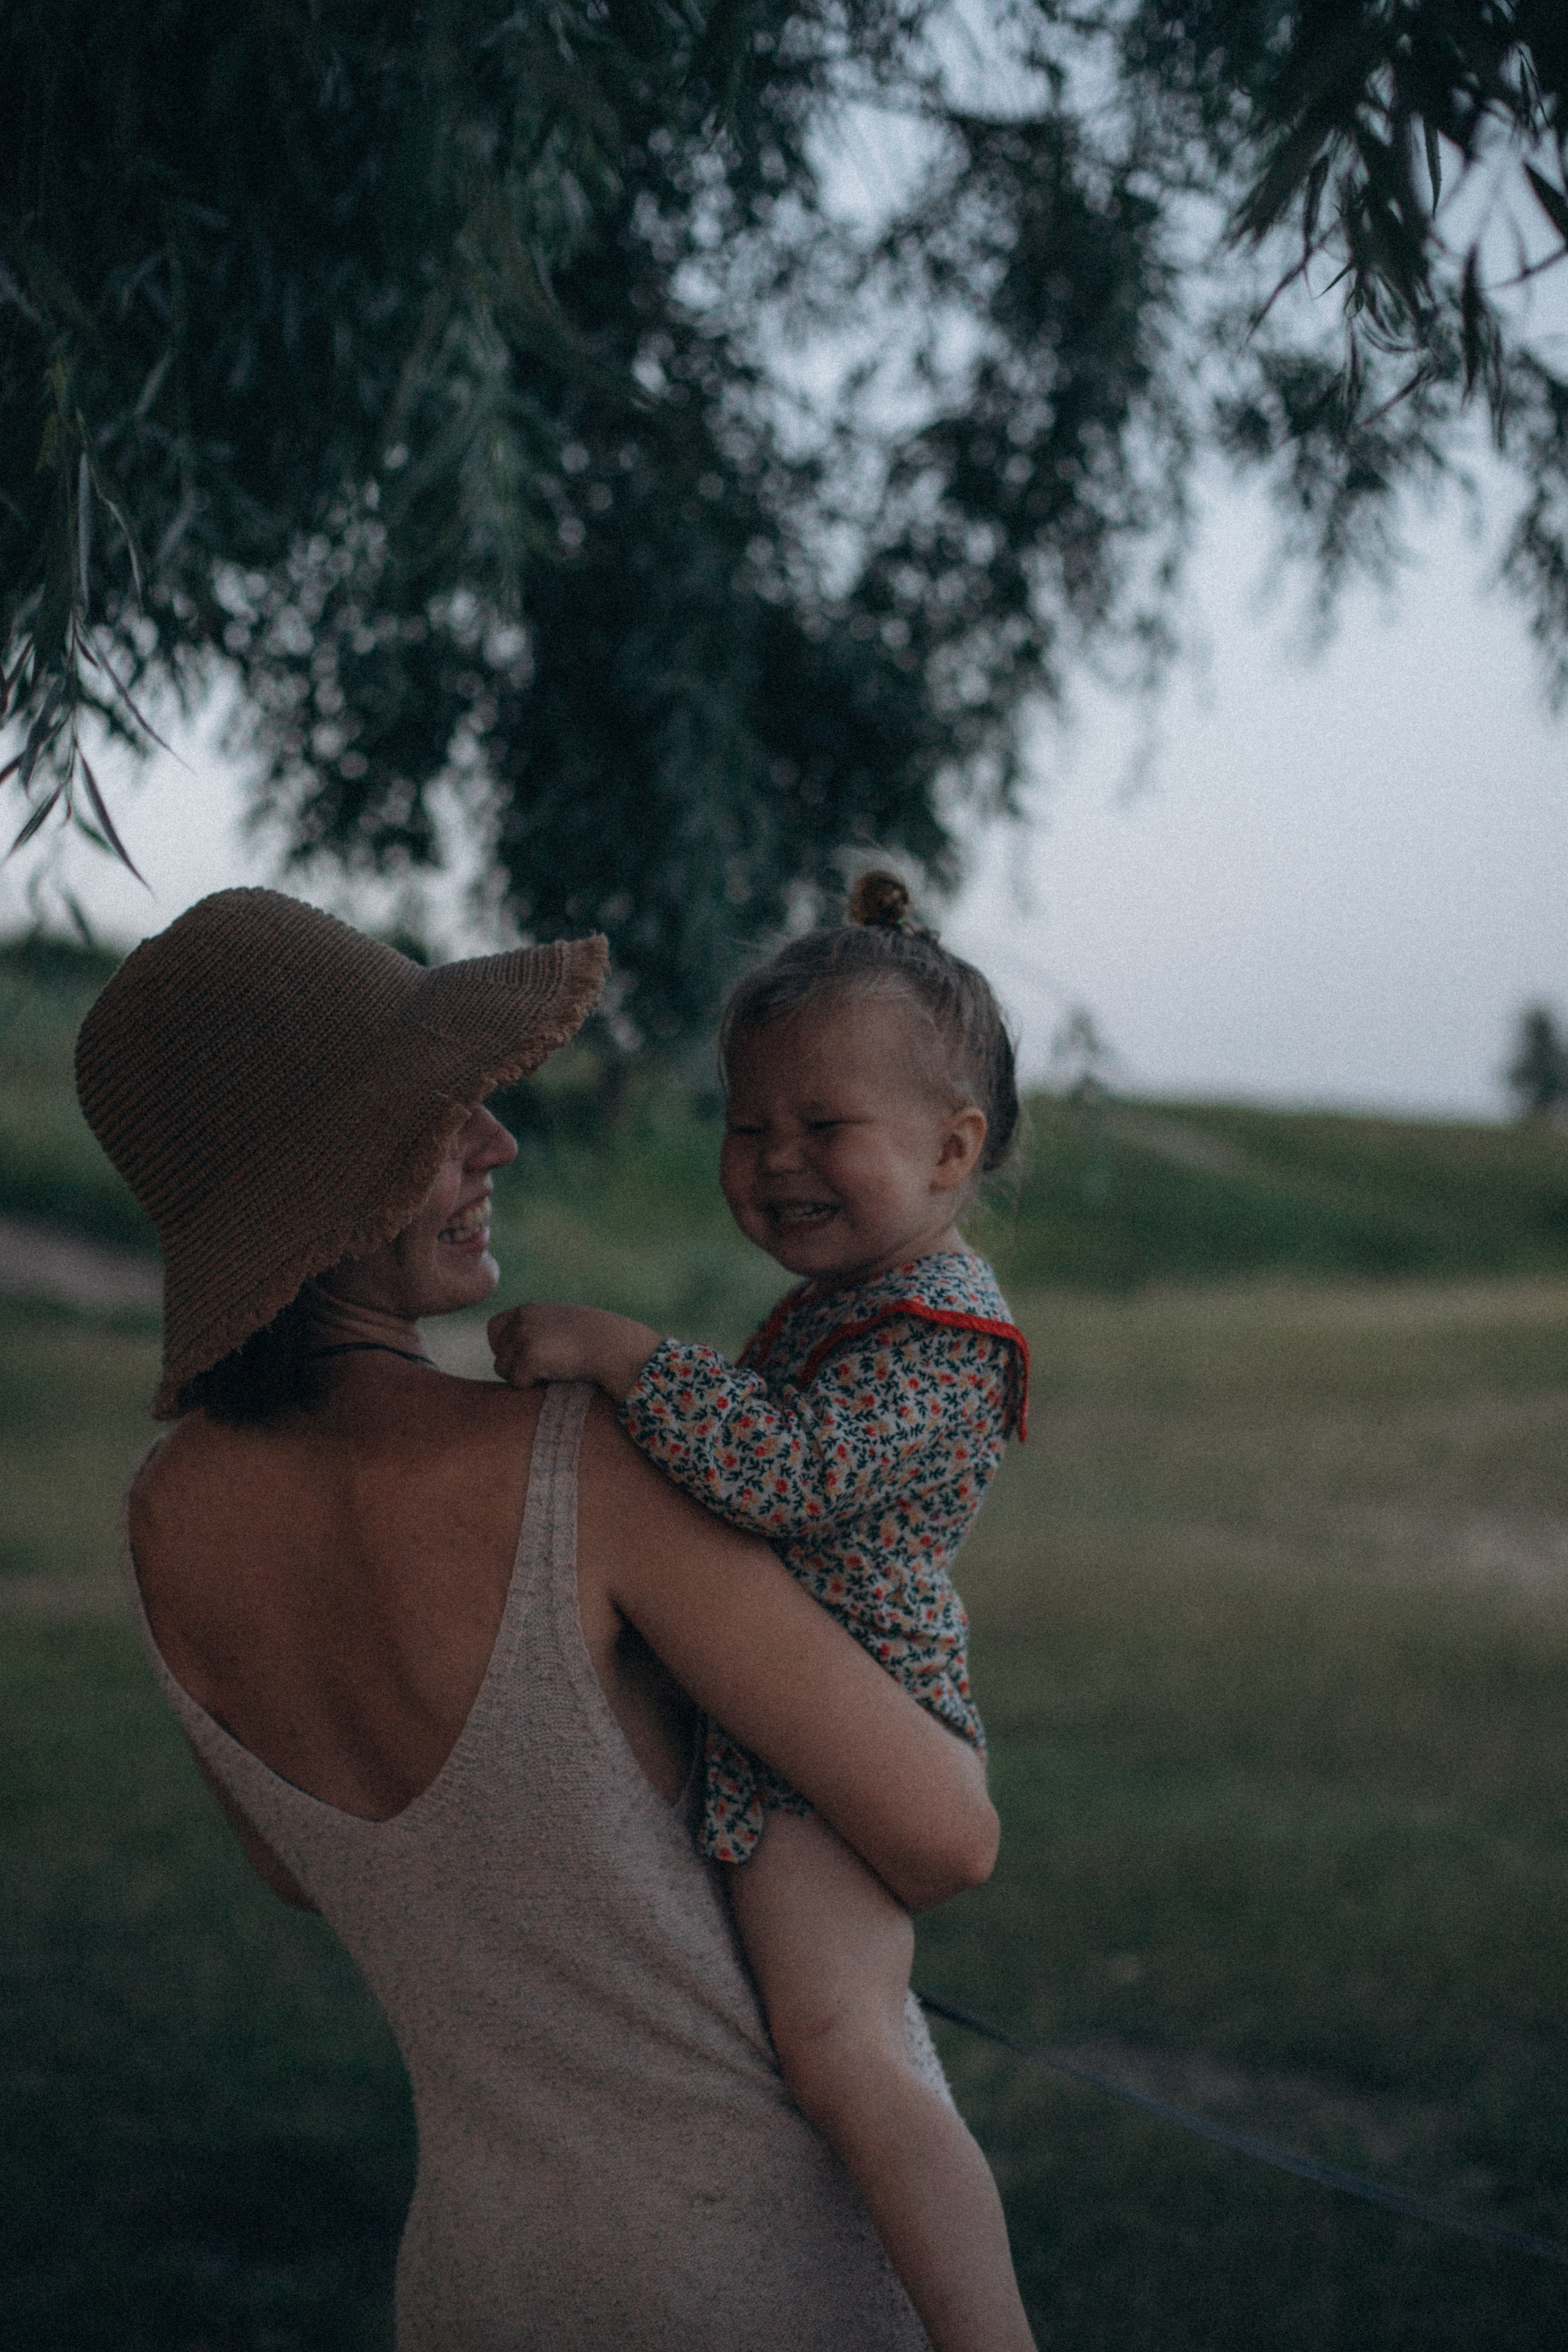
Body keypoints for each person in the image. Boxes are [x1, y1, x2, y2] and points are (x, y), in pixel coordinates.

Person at [74, 886, 1003, 2352]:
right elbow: (946, 1838)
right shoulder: (583, 1465)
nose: (496, 1141)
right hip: (759, 2269)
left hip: (481, 2280)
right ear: (330, 1183)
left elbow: (304, 1869)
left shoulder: (159, 1520)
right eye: (443, 1119)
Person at [488, 871, 1036, 2352]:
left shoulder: (943, 1338)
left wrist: (623, 1356)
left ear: (949, 1147)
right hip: (773, 1709)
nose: (775, 1159)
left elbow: (787, 1476)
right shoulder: (853, 1304)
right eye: (747, 1125)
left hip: (841, 1732)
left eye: (822, 1127)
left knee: (841, 2046)